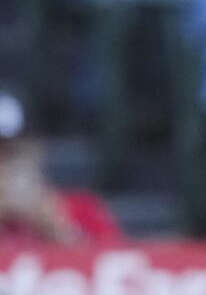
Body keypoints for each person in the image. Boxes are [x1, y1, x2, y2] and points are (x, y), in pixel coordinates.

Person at [0, 91, 120, 244]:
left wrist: (58, 230)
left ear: (36, 151)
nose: (3, 162)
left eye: (10, 151)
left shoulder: (82, 210)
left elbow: (123, 260)